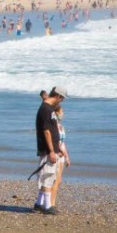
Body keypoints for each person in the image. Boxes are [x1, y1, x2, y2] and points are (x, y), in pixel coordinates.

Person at [32, 86, 67, 215]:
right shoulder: (46, 110)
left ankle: (38, 204)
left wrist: (58, 149)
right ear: (58, 96)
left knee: (48, 176)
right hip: (47, 150)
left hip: (52, 148)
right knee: (47, 176)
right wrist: (51, 151)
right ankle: (47, 206)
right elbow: (46, 131)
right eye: (62, 98)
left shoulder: (48, 108)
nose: (62, 101)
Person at [50, 104, 72, 208]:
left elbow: (63, 143)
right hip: (57, 154)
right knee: (55, 180)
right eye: (61, 112)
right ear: (56, 113)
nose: (63, 114)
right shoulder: (54, 126)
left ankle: (51, 202)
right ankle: (51, 203)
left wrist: (67, 156)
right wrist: (61, 152)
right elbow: (56, 142)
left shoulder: (61, 127)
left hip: (62, 155)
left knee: (58, 180)